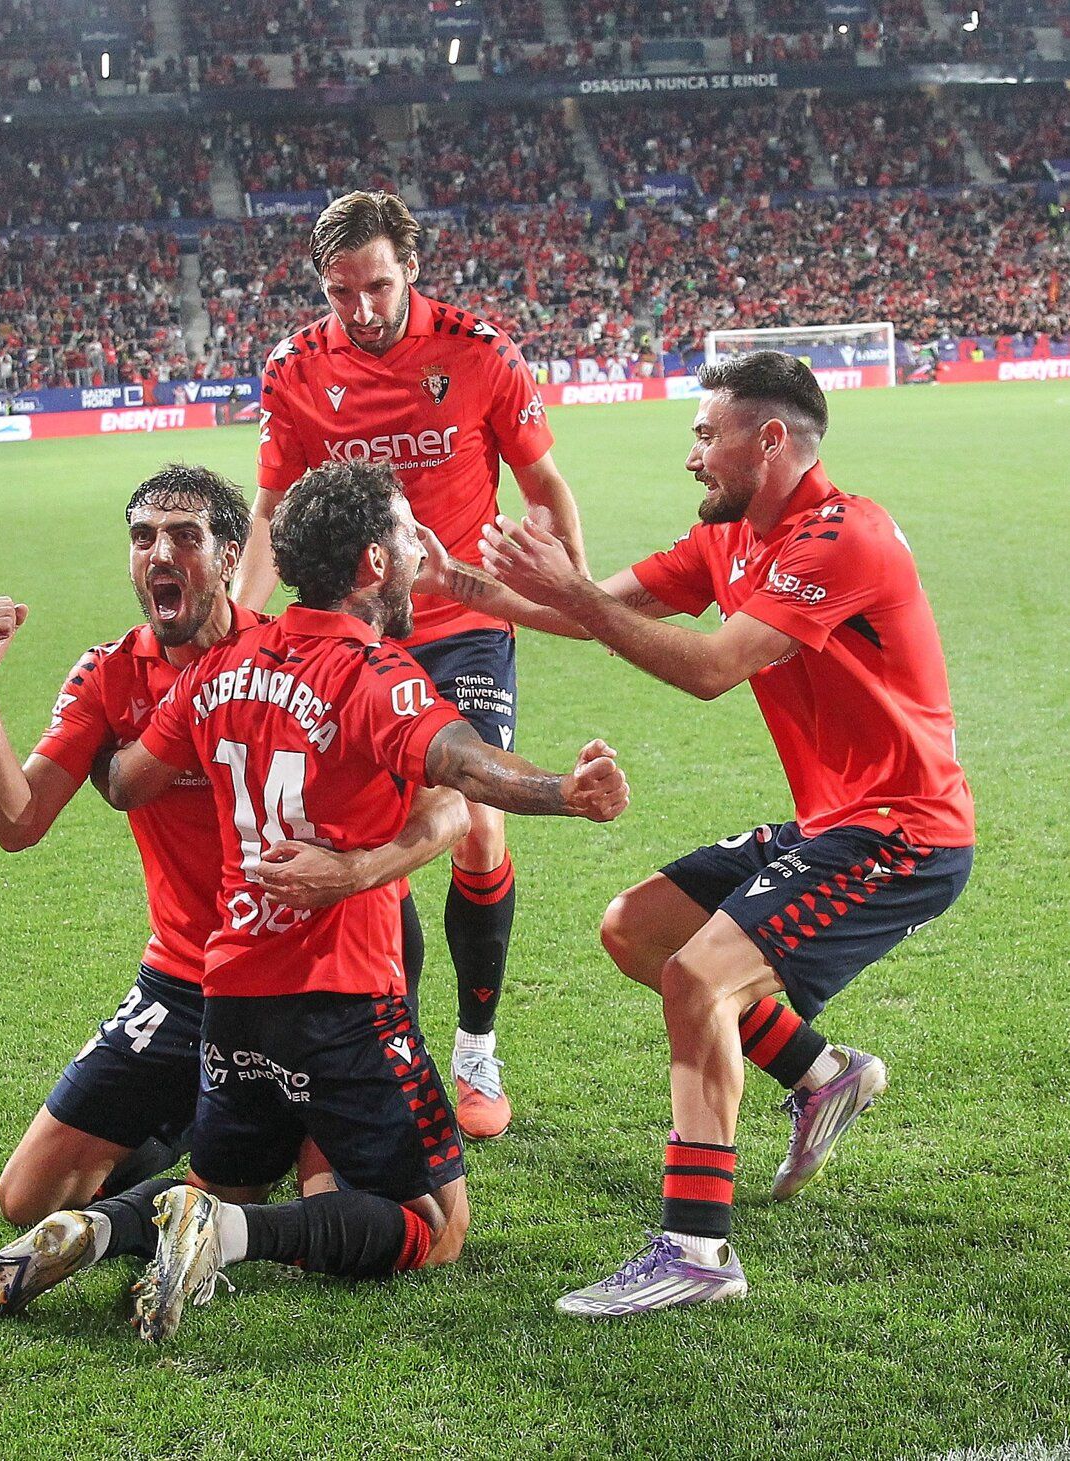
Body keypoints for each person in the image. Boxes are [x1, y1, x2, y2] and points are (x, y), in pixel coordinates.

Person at [0, 460, 626, 1343]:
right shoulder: (375, 673)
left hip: (234, 988)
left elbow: (128, 782)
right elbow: (464, 766)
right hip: (344, 991)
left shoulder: (217, 670)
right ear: (375, 561)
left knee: (222, 1179)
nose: (422, 549)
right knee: (433, 1228)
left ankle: (103, 1229)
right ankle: (229, 1236)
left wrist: (96, 708)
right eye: (407, 534)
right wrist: (564, 790)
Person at [417, 351, 975, 1313]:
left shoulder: (844, 536)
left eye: (706, 435)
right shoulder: (729, 539)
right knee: (636, 929)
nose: (691, 456)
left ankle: (697, 1250)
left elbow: (714, 667)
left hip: (904, 835)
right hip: (835, 823)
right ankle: (822, 1072)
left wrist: (574, 591)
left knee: (698, 976)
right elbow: (597, 610)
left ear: (770, 440)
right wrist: (457, 582)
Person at [0, 464, 467, 1307]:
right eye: (143, 537)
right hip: (186, 976)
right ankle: (201, 1140)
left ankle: (224, 1164)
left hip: (322, 968)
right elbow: (18, 822)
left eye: (185, 536)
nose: (160, 553)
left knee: (327, 1216)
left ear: (232, 556)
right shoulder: (112, 675)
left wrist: (356, 870)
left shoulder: (295, 651)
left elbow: (437, 795)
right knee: (30, 1193)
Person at [233, 190, 589, 1140]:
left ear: (412, 270)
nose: (361, 309)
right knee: (370, 836)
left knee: (473, 819)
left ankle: (476, 1047)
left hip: (464, 622)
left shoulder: (479, 352)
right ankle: (398, 1043)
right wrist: (239, 624)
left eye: (379, 286)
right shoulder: (296, 368)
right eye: (340, 291)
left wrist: (574, 590)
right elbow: (269, 510)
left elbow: (545, 484)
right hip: (355, 629)